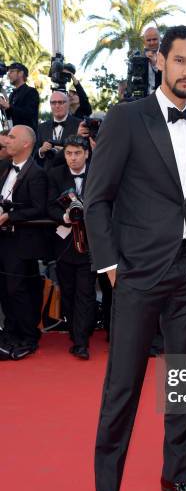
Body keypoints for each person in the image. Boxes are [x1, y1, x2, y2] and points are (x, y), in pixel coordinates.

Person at [84, 25, 186, 491]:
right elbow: (97, 198)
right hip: (136, 271)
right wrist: (110, 264)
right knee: (123, 387)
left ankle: (177, 475)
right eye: (180, 61)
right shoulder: (126, 117)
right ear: (161, 61)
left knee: (185, 381)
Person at [0, 125, 47, 360]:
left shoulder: (36, 173)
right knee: (4, 289)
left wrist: (10, 216)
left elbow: (39, 208)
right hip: (3, 240)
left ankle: (28, 336)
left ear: (26, 144)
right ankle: (10, 332)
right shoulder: (4, 168)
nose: (6, 141)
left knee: (17, 289)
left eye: (11, 137)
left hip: (20, 242)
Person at [47, 135, 96, 360]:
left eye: (77, 153)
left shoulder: (97, 172)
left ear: (86, 153)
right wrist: (64, 216)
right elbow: (48, 206)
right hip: (64, 244)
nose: (73, 158)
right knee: (67, 292)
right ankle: (76, 332)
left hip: (90, 245)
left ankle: (81, 342)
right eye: (69, 153)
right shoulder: (55, 175)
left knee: (85, 292)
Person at [36, 91, 80, 171]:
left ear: (68, 104)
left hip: (70, 175)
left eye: (61, 102)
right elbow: (33, 153)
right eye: (53, 103)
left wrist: (65, 150)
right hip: (47, 176)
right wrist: (41, 150)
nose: (57, 106)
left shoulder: (79, 124)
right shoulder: (41, 127)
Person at [0, 63, 39, 132]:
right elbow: (10, 116)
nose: (8, 74)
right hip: (13, 135)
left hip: (26, 135)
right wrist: (3, 107)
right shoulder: (12, 94)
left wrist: (8, 106)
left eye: (11, 71)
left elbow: (29, 114)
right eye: (8, 72)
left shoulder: (31, 91)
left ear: (21, 73)